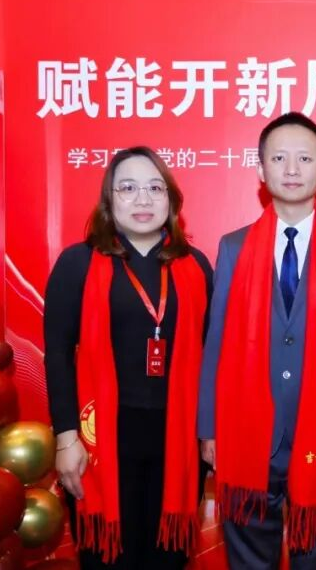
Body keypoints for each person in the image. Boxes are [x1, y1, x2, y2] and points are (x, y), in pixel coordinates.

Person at [197, 112, 316, 570]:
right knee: (249, 558)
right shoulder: (233, 247)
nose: (292, 169)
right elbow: (215, 344)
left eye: (304, 159)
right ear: (260, 170)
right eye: (278, 159)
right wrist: (209, 427)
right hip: (244, 431)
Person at [44, 146, 213, 569]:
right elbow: (58, 355)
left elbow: (213, 358)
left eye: (155, 188)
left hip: (177, 439)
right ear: (109, 198)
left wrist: (211, 433)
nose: (143, 199)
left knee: (167, 558)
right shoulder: (77, 263)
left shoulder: (195, 266)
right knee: (107, 557)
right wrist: (66, 439)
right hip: (99, 438)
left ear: (171, 200)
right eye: (128, 188)